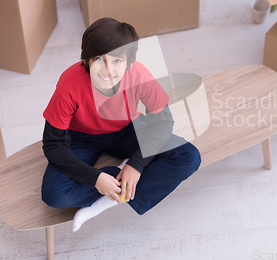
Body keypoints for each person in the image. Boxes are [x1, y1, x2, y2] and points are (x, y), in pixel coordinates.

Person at [41, 17, 201, 232]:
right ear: (86, 60)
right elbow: (53, 145)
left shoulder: (140, 75)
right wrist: (96, 178)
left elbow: (162, 123)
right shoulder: (69, 83)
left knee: (188, 156)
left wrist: (135, 165)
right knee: (55, 194)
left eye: (117, 61)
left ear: (129, 62)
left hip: (127, 129)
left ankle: (107, 198)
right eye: (99, 59)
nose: (108, 69)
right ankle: (116, 177)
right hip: (81, 137)